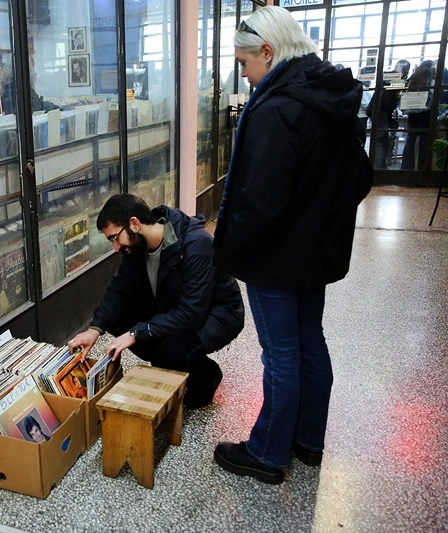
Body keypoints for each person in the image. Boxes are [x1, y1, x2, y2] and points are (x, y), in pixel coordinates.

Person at [212, 6, 372, 484]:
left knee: (280, 353)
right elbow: (359, 177)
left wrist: (231, 252)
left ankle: (266, 453)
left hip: (276, 259)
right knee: (308, 344)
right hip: (315, 253)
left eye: (244, 63)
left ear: (268, 50)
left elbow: (260, 201)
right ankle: (308, 441)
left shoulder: (277, 106)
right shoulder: (329, 97)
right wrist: (317, 217)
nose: (243, 73)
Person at [67, 193, 245, 409]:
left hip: (217, 313)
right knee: (114, 318)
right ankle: (165, 361)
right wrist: (94, 329)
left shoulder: (196, 244)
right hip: (173, 305)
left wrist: (137, 333)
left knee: (171, 350)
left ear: (134, 223)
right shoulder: (137, 247)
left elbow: (192, 313)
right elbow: (119, 289)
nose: (115, 247)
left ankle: (207, 375)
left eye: (115, 238)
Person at [368, 59, 410, 168]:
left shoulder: (388, 77)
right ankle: (378, 168)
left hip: (378, 112)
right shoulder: (395, 80)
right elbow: (386, 102)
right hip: (380, 113)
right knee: (381, 142)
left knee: (381, 141)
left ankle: (379, 166)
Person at [401, 60, 437, 170]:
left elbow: (403, 97)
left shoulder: (412, 80)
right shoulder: (431, 82)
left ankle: (406, 168)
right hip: (426, 115)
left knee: (410, 140)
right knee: (424, 143)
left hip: (412, 115)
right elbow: (431, 101)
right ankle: (421, 169)